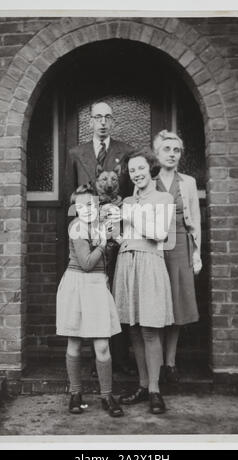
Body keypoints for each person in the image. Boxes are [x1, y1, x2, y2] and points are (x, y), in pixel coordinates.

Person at [65, 101, 134, 375]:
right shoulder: (75, 152)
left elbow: (129, 195)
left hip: (115, 233)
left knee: (116, 292)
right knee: (89, 293)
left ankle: (119, 357)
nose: (103, 122)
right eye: (97, 117)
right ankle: (89, 359)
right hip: (86, 237)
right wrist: (78, 236)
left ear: (113, 122)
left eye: (107, 117)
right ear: (90, 122)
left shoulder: (125, 152)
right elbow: (68, 198)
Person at [112, 148, 175, 414]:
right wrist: (116, 231)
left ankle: (155, 390)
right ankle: (141, 385)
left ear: (150, 168)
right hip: (127, 263)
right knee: (134, 329)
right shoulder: (126, 202)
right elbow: (118, 233)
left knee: (150, 329)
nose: (136, 174)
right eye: (131, 170)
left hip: (150, 263)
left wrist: (129, 218)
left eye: (140, 168)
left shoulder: (164, 198)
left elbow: (159, 233)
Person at [56, 184, 124, 417]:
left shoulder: (99, 226)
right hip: (77, 283)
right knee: (74, 342)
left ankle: (107, 395)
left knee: (102, 345)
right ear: (75, 208)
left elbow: (114, 246)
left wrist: (113, 237)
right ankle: (75, 393)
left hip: (96, 286)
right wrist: (104, 243)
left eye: (92, 204)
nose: (87, 208)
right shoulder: (76, 226)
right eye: (82, 205)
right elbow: (85, 263)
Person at [153, 130, 202, 383]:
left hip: (181, 246)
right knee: (158, 304)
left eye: (176, 150)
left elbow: (195, 221)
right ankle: (156, 362)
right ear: (157, 153)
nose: (172, 154)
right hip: (156, 249)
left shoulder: (189, 183)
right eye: (166, 149)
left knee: (177, 304)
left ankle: (170, 363)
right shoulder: (149, 182)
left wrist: (196, 254)